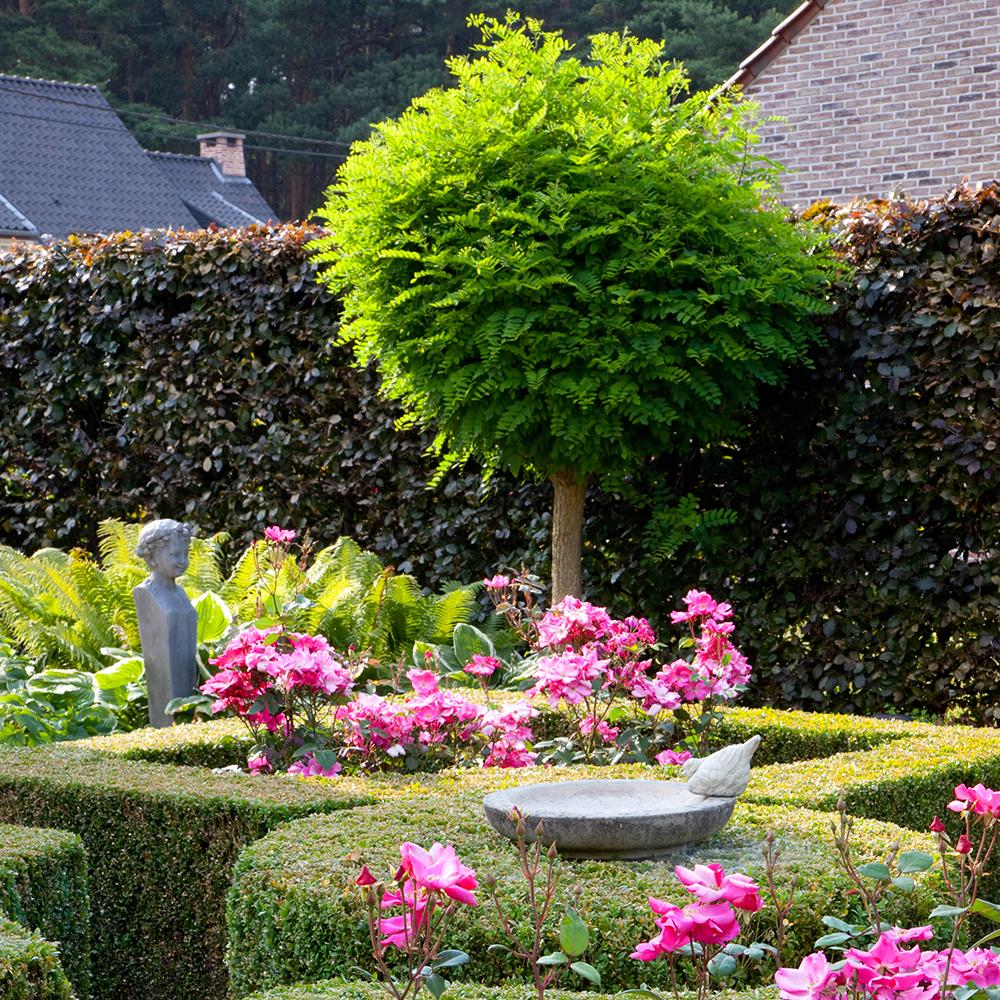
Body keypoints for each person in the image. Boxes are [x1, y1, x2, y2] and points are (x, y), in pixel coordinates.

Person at [133, 519, 198, 727]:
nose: (182, 560)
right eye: (175, 554)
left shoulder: (180, 592)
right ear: (153, 557)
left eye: (185, 554)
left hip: (188, 688)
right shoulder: (145, 593)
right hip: (165, 705)